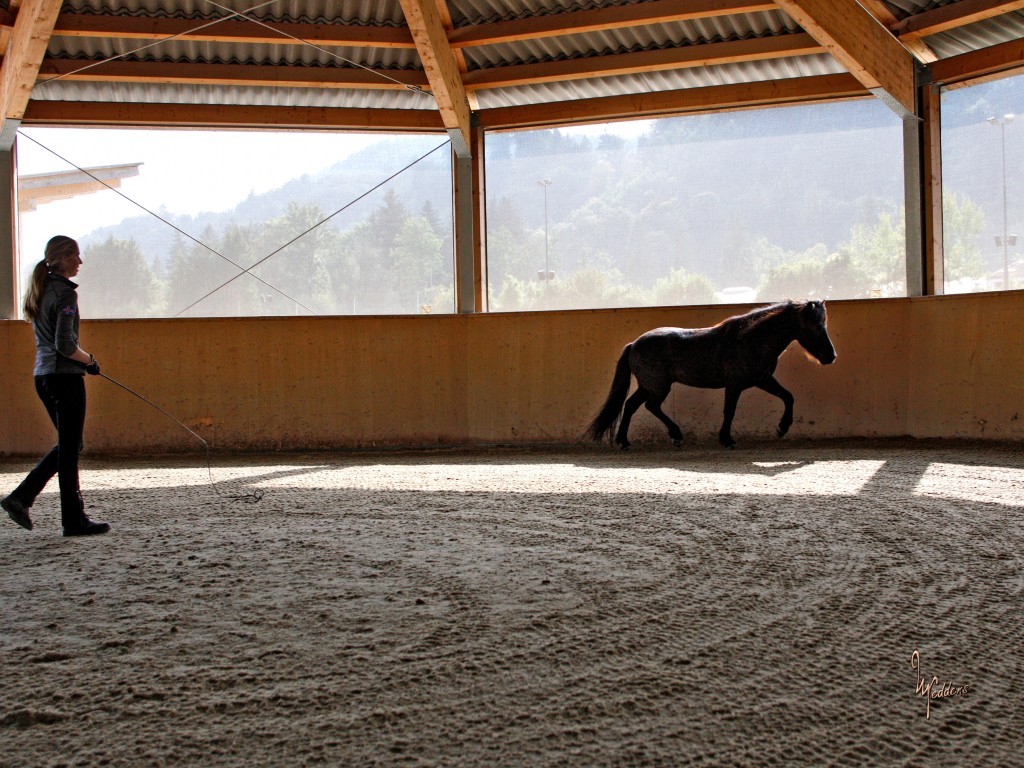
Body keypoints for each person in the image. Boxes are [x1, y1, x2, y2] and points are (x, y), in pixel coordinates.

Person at [1, 236, 110, 536]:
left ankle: (23, 498)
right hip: (64, 377)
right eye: (75, 255)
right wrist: (89, 361)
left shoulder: (42, 288)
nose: (80, 261)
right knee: (70, 448)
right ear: (62, 258)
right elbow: (65, 344)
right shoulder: (65, 294)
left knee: (69, 446)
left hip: (43, 376)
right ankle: (70, 519)